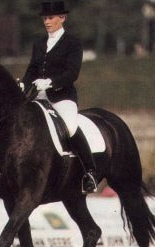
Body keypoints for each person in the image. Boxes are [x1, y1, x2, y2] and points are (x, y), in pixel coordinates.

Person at [21, 1, 97, 194]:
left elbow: (72, 73)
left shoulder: (72, 42)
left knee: (70, 127)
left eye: (51, 18)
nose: (47, 21)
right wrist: (24, 83)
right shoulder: (39, 42)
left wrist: (50, 82)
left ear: (62, 18)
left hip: (62, 95)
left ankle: (90, 172)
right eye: (45, 18)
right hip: (38, 94)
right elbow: (32, 69)